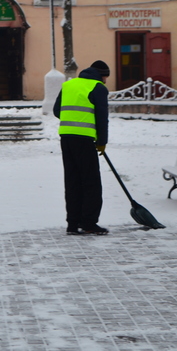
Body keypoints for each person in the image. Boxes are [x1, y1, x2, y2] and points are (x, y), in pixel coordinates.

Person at [53, 60, 111, 235]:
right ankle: (89, 223)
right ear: (101, 75)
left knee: (72, 181)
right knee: (91, 182)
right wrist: (102, 141)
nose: (106, 81)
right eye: (106, 77)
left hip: (66, 138)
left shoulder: (69, 85)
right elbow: (102, 117)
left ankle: (73, 223)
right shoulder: (98, 88)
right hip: (85, 140)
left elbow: (57, 111)